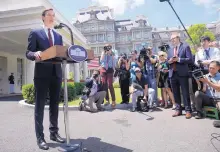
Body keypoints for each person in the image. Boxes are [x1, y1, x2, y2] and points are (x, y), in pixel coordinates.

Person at [26, 9, 64, 150]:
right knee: (40, 106)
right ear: (43, 17)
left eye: (53, 15)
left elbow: (60, 53)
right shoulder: (35, 33)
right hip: (42, 73)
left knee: (54, 104)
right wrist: (34, 53)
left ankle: (54, 133)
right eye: (49, 15)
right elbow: (28, 52)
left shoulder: (58, 36)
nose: (52, 17)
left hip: (56, 73)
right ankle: (40, 138)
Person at [168, 33, 193, 119]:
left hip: (182, 73)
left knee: (185, 92)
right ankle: (178, 109)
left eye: (173, 38)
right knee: (175, 93)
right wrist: (170, 61)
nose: (172, 40)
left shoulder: (185, 47)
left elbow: (190, 59)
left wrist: (178, 59)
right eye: (171, 39)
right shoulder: (170, 50)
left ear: (178, 38)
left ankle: (188, 110)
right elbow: (168, 61)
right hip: (172, 73)